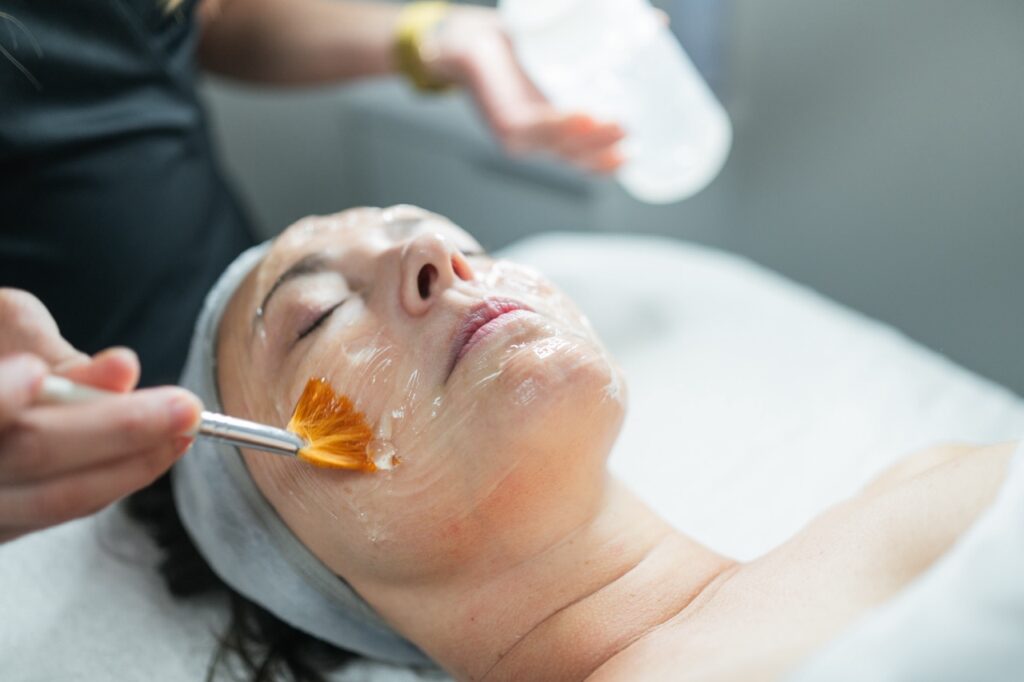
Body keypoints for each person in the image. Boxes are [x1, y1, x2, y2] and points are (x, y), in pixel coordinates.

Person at [138, 204, 1019, 681]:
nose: (439, 251)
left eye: (461, 239)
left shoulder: (924, 480)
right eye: (319, 315)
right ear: (298, 559)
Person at [0, 0, 624, 540]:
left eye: (474, 252)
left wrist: (433, 38)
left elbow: (203, 19)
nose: (438, 249)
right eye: (321, 316)